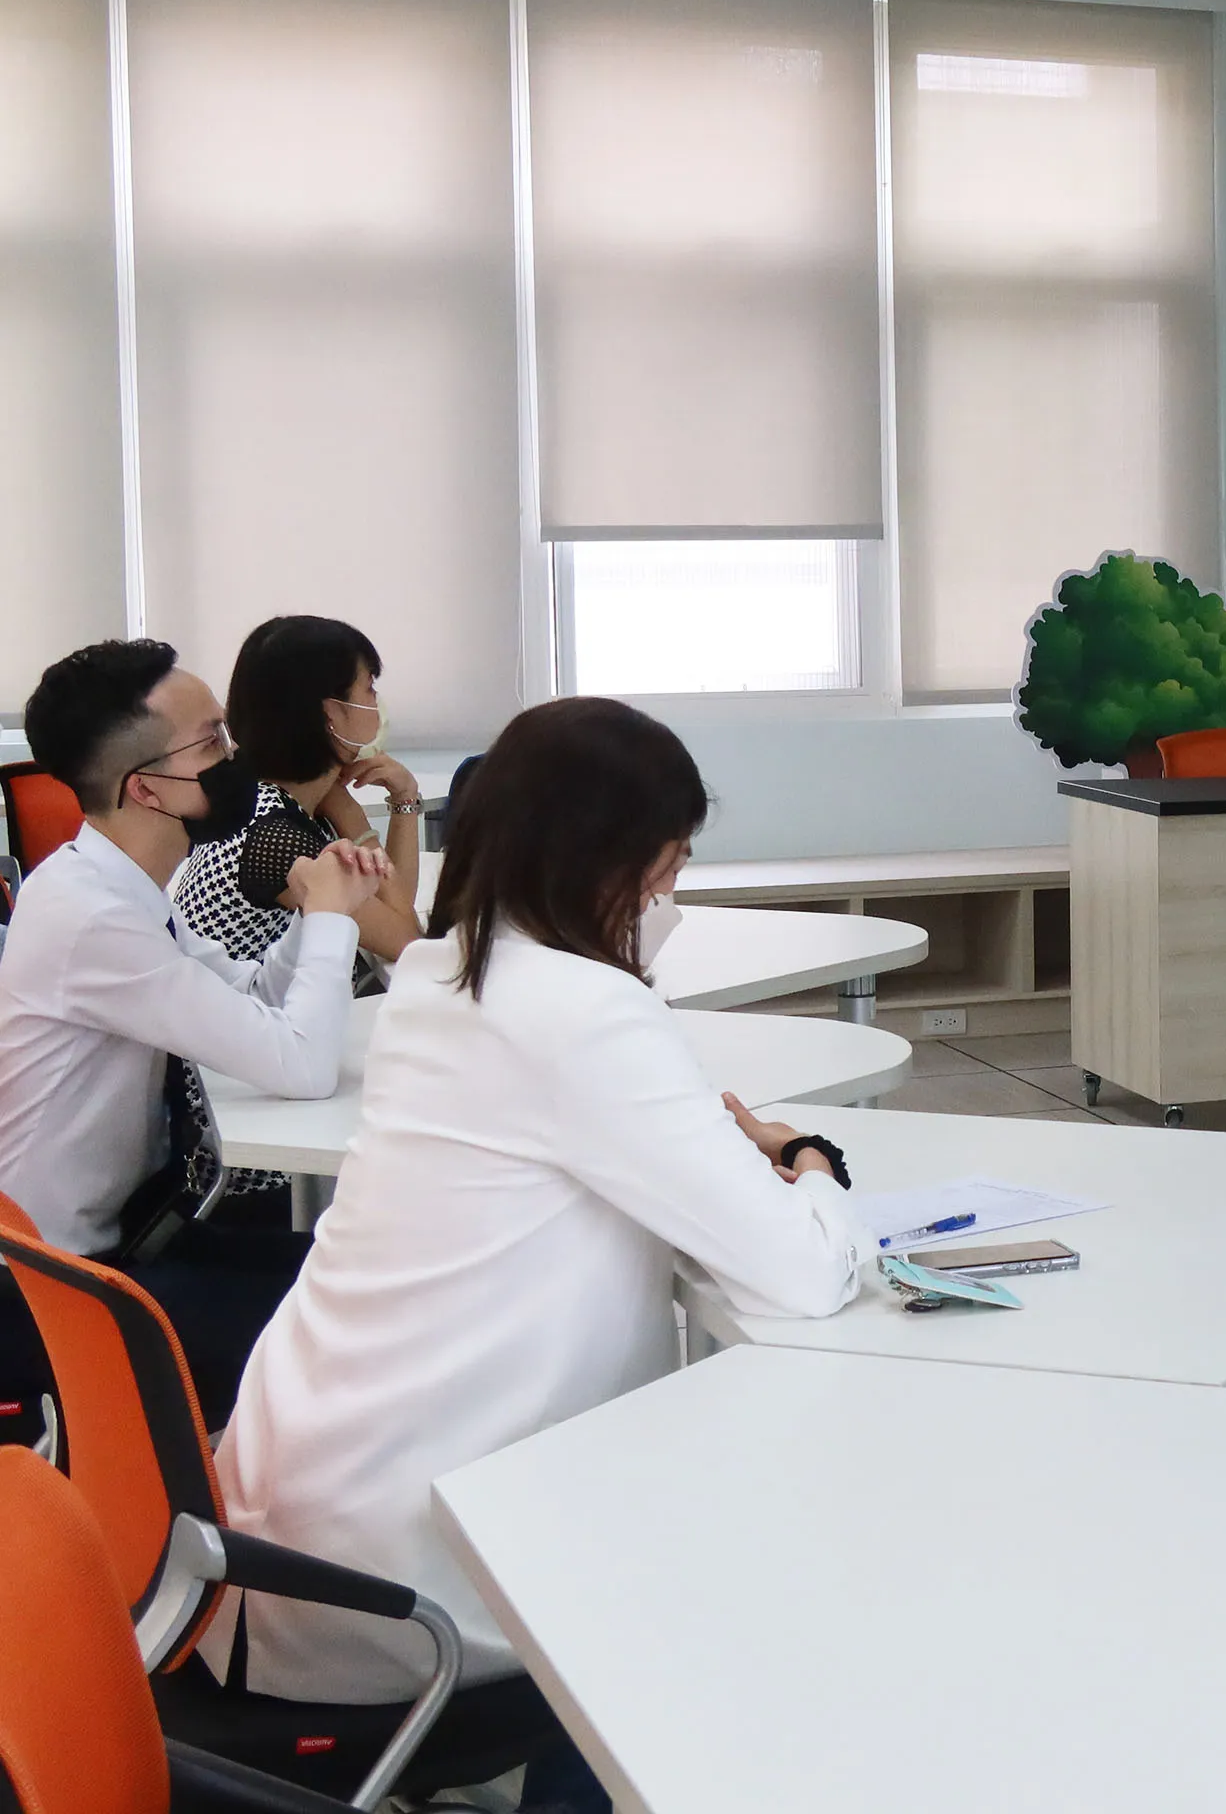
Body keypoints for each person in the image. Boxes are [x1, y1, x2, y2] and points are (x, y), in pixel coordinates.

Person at [210, 697, 867, 1814]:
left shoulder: (438, 975)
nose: (665, 898)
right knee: (747, 1582)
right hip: (404, 1580)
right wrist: (809, 1163)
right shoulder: (585, 1010)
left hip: (292, 1518)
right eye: (668, 868)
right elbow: (802, 1274)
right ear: (616, 861)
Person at [0, 640, 383, 1422]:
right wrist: (330, 920)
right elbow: (302, 1065)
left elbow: (251, 1000)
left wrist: (313, 912)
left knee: (364, 1281)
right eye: (211, 742)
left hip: (138, 1238)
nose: (236, 757)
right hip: (60, 1292)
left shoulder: (118, 889)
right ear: (146, 788)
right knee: (358, 1331)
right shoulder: (92, 919)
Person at [174, 616, 426, 973]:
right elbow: (407, 941)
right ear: (330, 712)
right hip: (251, 1007)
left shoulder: (264, 794)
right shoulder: (274, 836)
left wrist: (405, 798)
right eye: (369, 687)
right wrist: (352, 817)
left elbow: (395, 905)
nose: (376, 702)